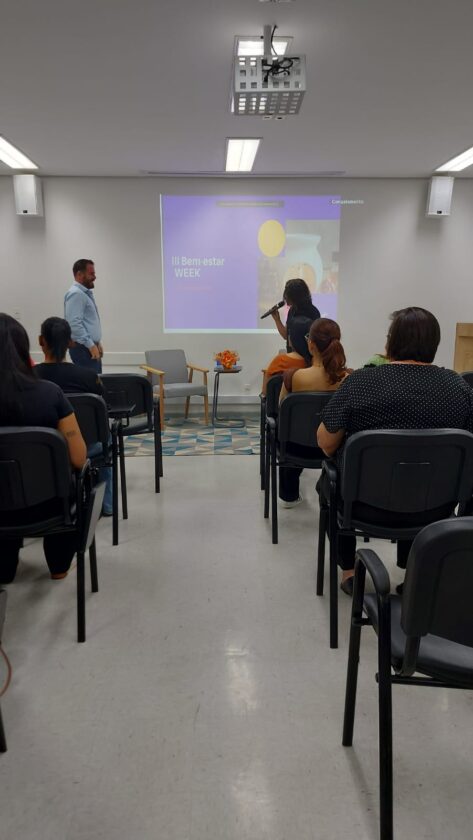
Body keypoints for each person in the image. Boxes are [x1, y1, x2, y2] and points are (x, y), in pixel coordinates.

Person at [316, 306, 473, 595]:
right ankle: (415, 572)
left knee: (329, 481)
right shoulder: (460, 388)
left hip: (362, 507)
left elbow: (326, 443)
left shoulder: (360, 383)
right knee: (418, 476)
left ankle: (349, 571)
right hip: (436, 509)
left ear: (391, 343)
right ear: (435, 344)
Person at [0, 313, 87, 583]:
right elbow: (78, 458)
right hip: (47, 507)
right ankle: (59, 567)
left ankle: (4, 570)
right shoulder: (50, 393)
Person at [35, 317, 113, 517]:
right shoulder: (88, 377)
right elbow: (104, 411)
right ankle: (107, 505)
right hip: (88, 446)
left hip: (41, 449)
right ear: (71, 342)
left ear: (41, 341)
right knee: (107, 439)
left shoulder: (29, 378)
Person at [279, 318, 350, 507]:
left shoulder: (293, 377)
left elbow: (281, 412)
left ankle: (289, 496)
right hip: (334, 449)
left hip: (295, 449)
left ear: (311, 344)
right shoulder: (347, 378)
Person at [64, 259, 103, 373]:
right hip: (83, 349)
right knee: (91, 382)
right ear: (79, 274)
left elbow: (87, 322)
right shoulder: (76, 294)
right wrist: (91, 345)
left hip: (87, 347)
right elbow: (74, 324)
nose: (94, 277)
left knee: (96, 381)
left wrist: (96, 342)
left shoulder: (83, 294)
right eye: (91, 274)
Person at [262, 315, 313, 395]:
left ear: (292, 338)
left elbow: (265, 392)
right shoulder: (317, 363)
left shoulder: (280, 361)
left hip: (281, 403)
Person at [271, 278, 321, 349]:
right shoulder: (292, 310)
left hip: (306, 354)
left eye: (287, 294)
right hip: (292, 353)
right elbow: (286, 335)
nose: (285, 297)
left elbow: (314, 343)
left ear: (295, 296)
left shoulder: (313, 312)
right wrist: (277, 320)